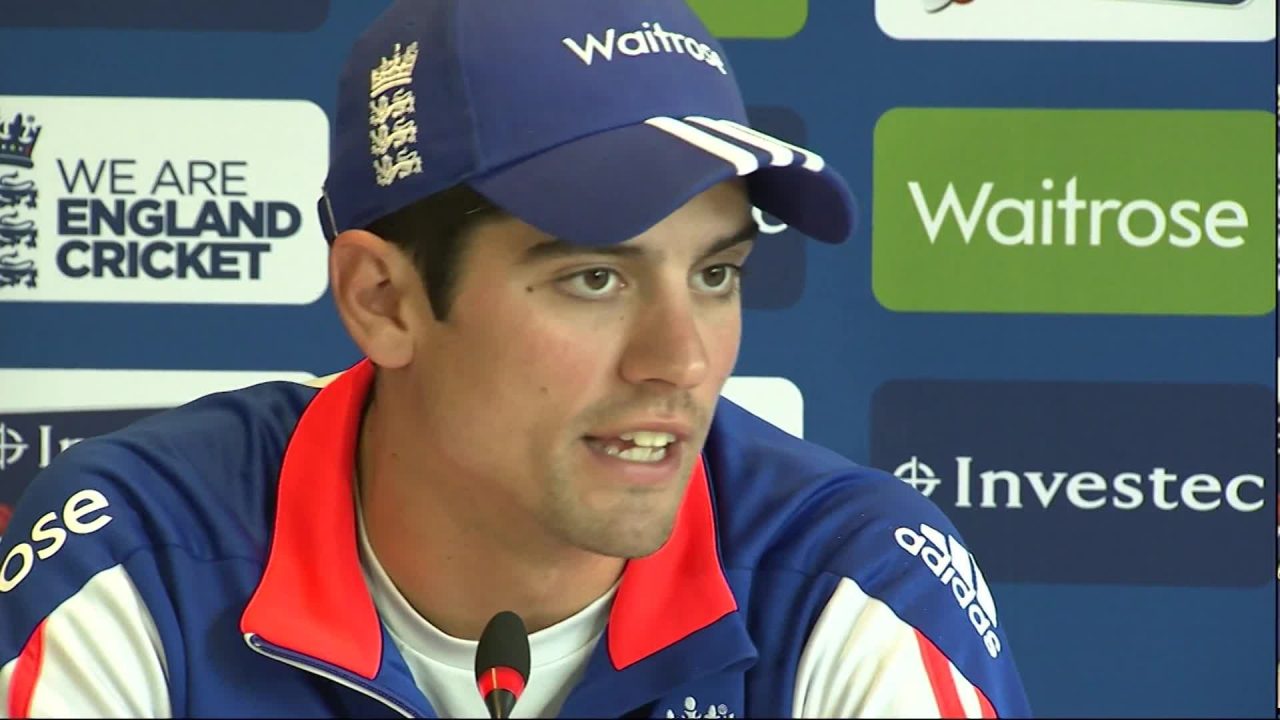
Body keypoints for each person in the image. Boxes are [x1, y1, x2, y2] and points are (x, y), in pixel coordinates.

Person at [0, 0, 1032, 717]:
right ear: (383, 300)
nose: (679, 360)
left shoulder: (847, 585)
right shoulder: (136, 560)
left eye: (714, 276)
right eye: (594, 279)